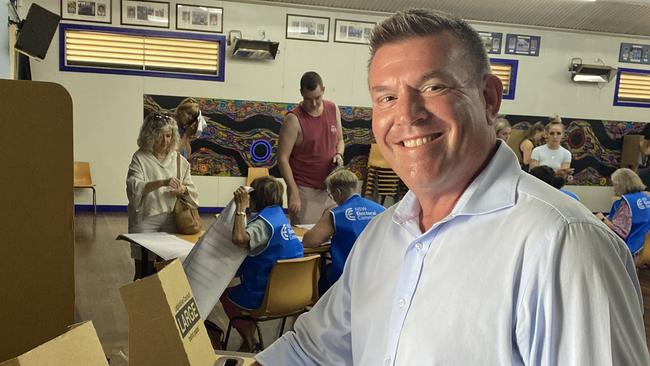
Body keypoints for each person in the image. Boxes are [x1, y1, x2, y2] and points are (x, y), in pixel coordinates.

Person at [253, 9, 649, 365]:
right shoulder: (382, 236)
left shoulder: (565, 246)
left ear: (489, 99)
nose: (406, 114)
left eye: (434, 87)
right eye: (386, 97)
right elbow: (312, 352)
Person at [218, 176, 304, 352]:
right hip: (295, 293)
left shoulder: (263, 224)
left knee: (225, 295)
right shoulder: (280, 218)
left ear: (255, 198)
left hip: (267, 296)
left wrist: (241, 208)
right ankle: (251, 336)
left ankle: (251, 341)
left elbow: (239, 238)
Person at [126, 112, 199, 279]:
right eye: (160, 136)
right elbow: (134, 187)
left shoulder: (179, 160)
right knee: (143, 270)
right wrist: (161, 182)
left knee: (168, 270)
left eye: (168, 136)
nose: (165, 141)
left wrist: (182, 190)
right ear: (150, 136)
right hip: (145, 219)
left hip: (172, 219)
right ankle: (141, 302)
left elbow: (192, 191)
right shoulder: (140, 158)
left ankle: (163, 301)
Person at [302, 169, 385, 294]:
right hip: (379, 273)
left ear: (338, 192)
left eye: (331, 194)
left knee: (322, 275)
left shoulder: (337, 214)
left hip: (347, 276)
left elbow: (310, 241)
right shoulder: (381, 209)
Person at [278, 71, 345, 225]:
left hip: (330, 188)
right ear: (301, 93)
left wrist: (339, 154)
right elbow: (282, 158)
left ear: (323, 89)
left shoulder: (333, 108)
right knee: (305, 240)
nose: (314, 104)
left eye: (317, 98)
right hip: (305, 190)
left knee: (331, 236)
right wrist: (293, 191)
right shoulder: (293, 120)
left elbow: (340, 140)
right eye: (308, 99)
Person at [596, 168, 650, 262]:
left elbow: (619, 232)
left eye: (615, 185)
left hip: (633, 250)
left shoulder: (627, 204)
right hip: (645, 245)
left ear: (621, 185)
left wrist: (602, 219)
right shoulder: (645, 197)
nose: (614, 188)